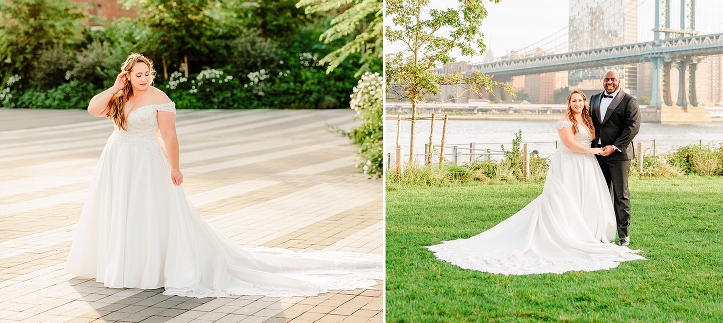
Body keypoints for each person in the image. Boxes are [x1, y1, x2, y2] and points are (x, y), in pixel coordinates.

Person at [65, 53, 381, 297]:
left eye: (148, 74)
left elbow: (170, 136)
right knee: (119, 210)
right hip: (117, 159)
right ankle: (118, 264)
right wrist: (115, 87)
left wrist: (175, 167)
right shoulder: (121, 96)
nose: (145, 79)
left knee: (146, 212)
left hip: (146, 162)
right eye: (139, 75)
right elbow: (93, 109)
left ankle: (147, 267)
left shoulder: (160, 99)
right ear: (127, 75)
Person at [427, 90, 643, 275]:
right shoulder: (565, 121)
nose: (577, 103)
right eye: (574, 100)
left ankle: (586, 233)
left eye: (580, 100)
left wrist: (608, 148)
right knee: (565, 198)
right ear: (569, 103)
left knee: (584, 198)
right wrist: (595, 151)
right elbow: (570, 144)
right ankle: (564, 233)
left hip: (586, 164)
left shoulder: (587, 119)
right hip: (570, 163)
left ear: (585, 102)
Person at [589, 69, 641, 246]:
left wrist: (614, 146)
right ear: (603, 81)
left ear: (619, 81)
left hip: (619, 155)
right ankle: (601, 232)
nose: (609, 82)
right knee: (601, 194)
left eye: (613, 79)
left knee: (621, 195)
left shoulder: (629, 101)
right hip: (598, 154)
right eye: (606, 79)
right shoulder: (594, 99)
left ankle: (623, 234)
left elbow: (633, 127)